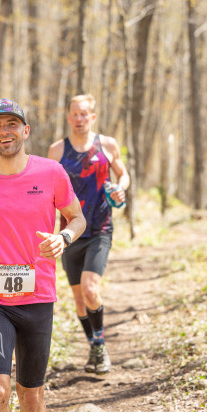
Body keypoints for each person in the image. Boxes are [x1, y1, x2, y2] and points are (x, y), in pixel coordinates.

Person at [0, 98, 86, 412]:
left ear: (25, 131)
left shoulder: (51, 172)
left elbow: (77, 218)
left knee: (31, 395)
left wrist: (62, 238)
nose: (4, 131)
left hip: (38, 296)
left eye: (11, 124)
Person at [47, 94, 130, 375]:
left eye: (85, 114)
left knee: (90, 289)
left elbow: (123, 173)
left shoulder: (106, 145)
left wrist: (122, 188)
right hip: (69, 232)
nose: (79, 119)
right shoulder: (57, 151)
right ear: (68, 117)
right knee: (79, 300)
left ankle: (101, 347)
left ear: (92, 117)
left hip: (99, 229)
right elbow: (48, 193)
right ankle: (95, 345)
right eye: (75, 114)